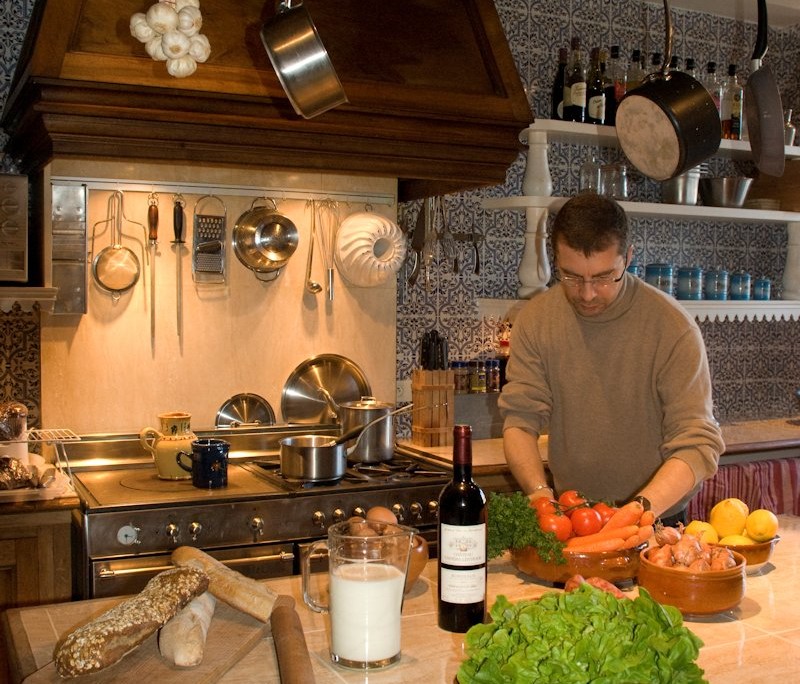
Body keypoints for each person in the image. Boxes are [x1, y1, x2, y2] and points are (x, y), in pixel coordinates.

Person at [498, 193, 724, 525]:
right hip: (571, 514)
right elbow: (520, 419)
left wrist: (638, 511)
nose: (587, 293)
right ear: (555, 259)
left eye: (604, 277)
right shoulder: (536, 320)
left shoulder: (672, 328)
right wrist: (540, 497)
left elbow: (698, 444)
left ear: (628, 257)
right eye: (572, 277)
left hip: (656, 517)